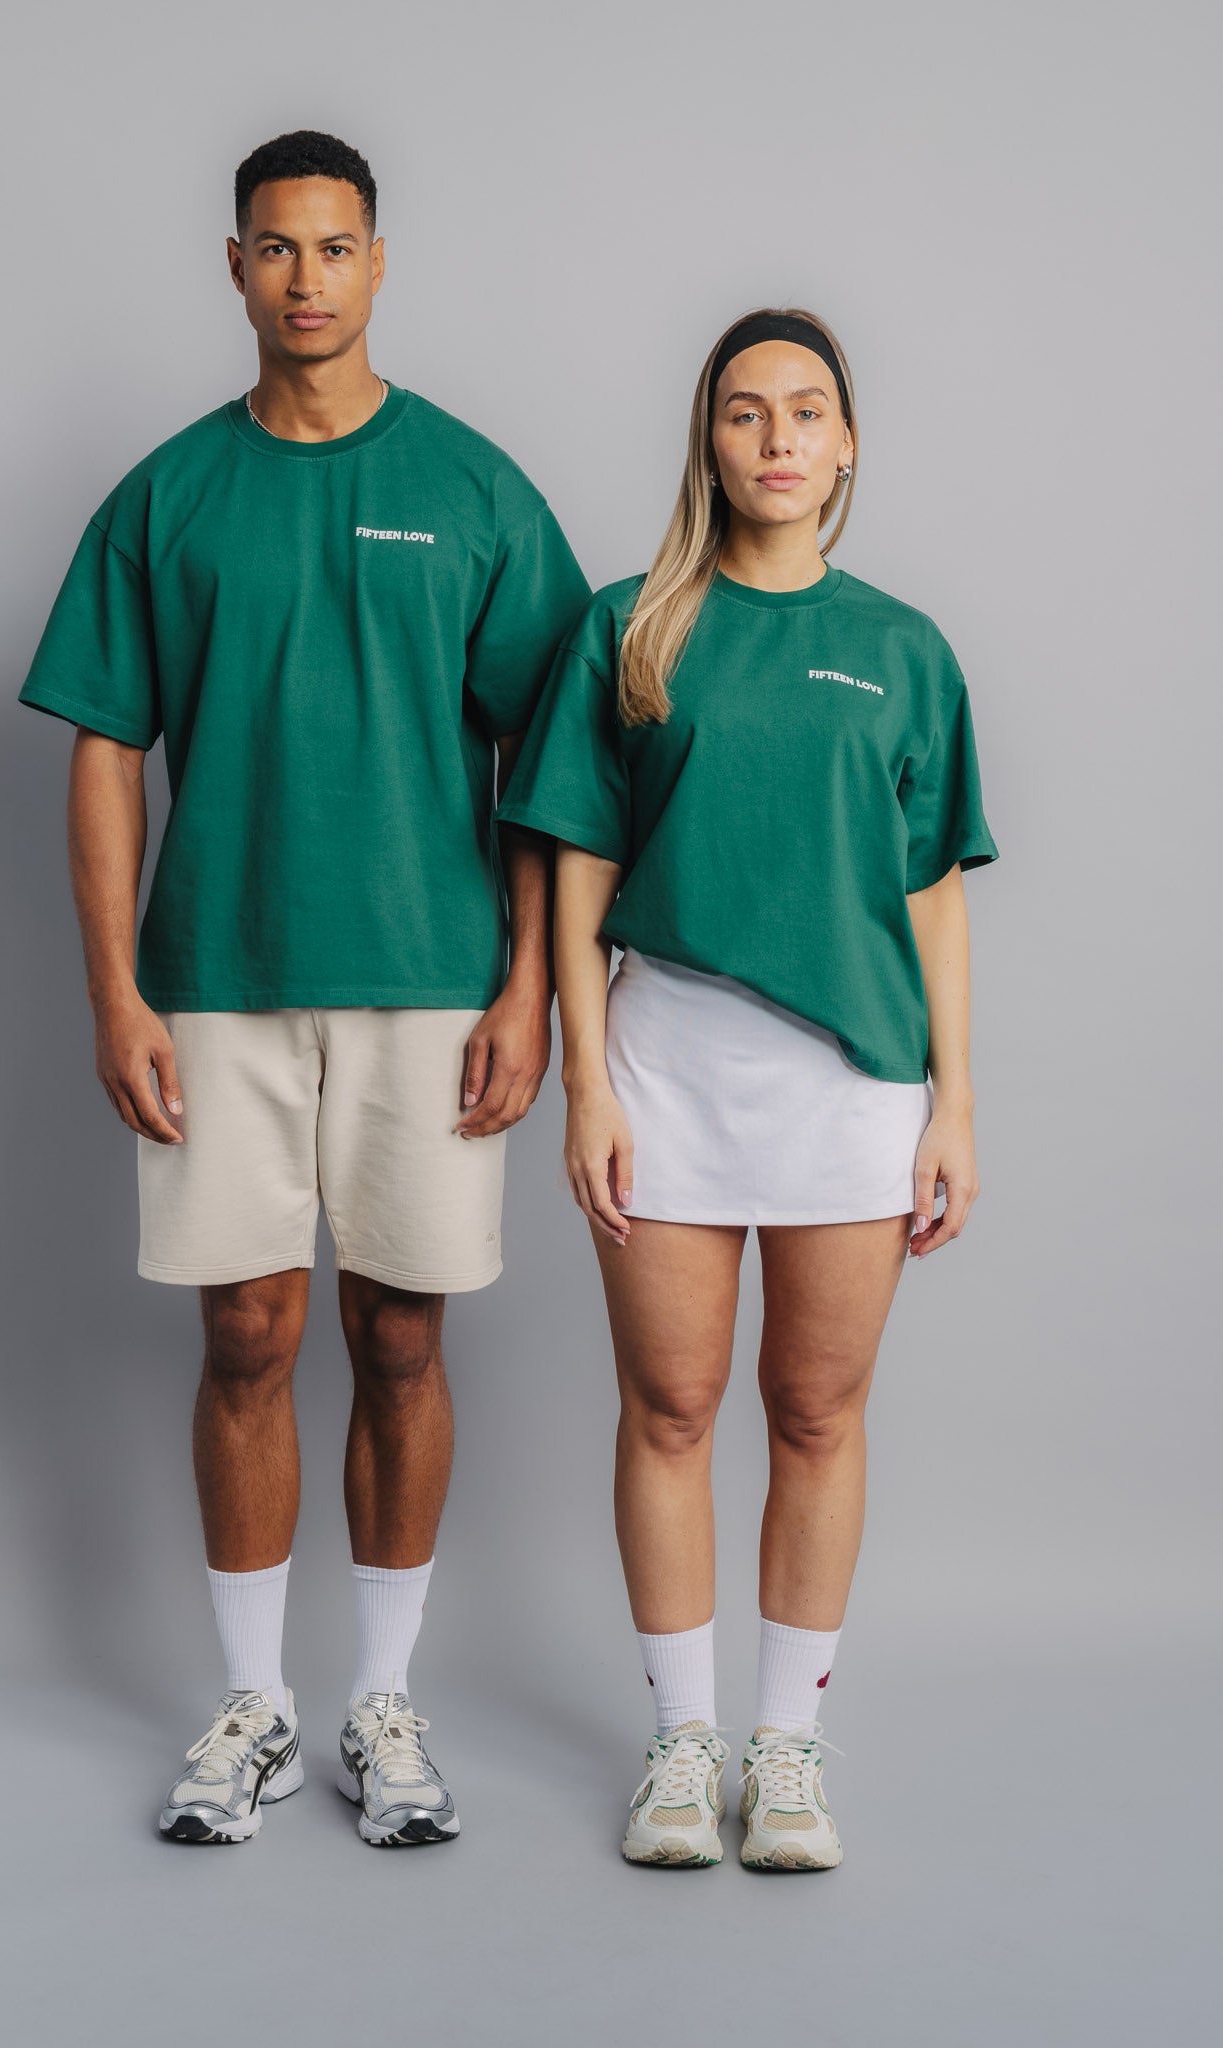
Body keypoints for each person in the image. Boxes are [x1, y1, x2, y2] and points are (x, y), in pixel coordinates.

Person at [17, 129, 590, 1849]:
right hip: (218, 983)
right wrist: (113, 990)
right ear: (234, 266)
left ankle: (379, 1706)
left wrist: (530, 997)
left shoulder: (477, 489)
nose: (307, 279)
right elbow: (105, 753)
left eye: (336, 248)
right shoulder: (169, 496)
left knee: (399, 1336)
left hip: (432, 984)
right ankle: (255, 1707)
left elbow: (549, 757)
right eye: (277, 249)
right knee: (246, 1333)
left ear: (378, 263)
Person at [496, 307, 999, 1870]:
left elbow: (931, 897)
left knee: (814, 1410)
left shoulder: (907, 650)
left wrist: (955, 1105)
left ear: (845, 444)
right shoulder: (629, 628)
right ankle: (679, 1747)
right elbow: (572, 867)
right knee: (669, 1407)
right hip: (665, 1065)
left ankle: (785, 1752)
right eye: (742, 413)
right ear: (707, 444)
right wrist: (587, 1085)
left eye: (804, 411)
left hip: (853, 1081)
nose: (775, 437)